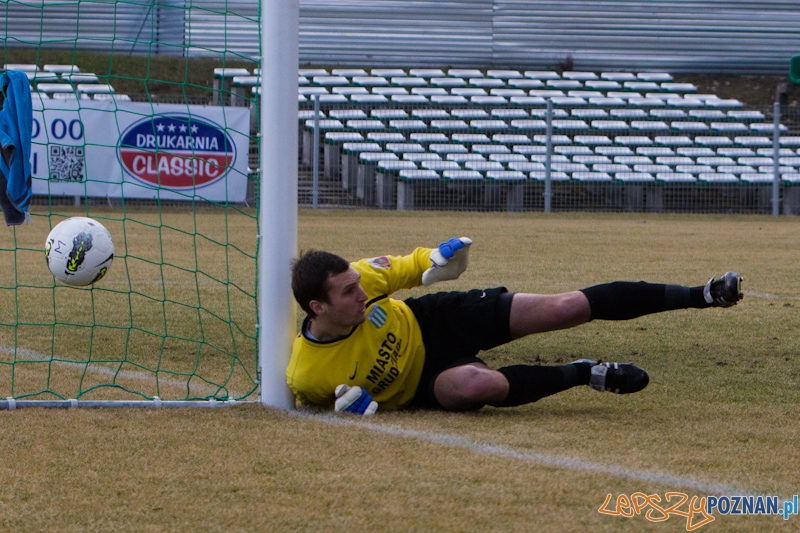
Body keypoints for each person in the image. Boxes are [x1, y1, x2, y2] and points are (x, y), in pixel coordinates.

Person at [286, 237, 743, 415]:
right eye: (347, 293)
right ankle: (587, 372)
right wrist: (349, 406)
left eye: (356, 284)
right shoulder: (308, 373)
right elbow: (319, 402)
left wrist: (439, 259)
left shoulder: (362, 277)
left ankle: (701, 295)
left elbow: (410, 265)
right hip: (425, 384)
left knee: (565, 307)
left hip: (436, 319)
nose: (361, 293)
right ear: (317, 307)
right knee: (473, 386)